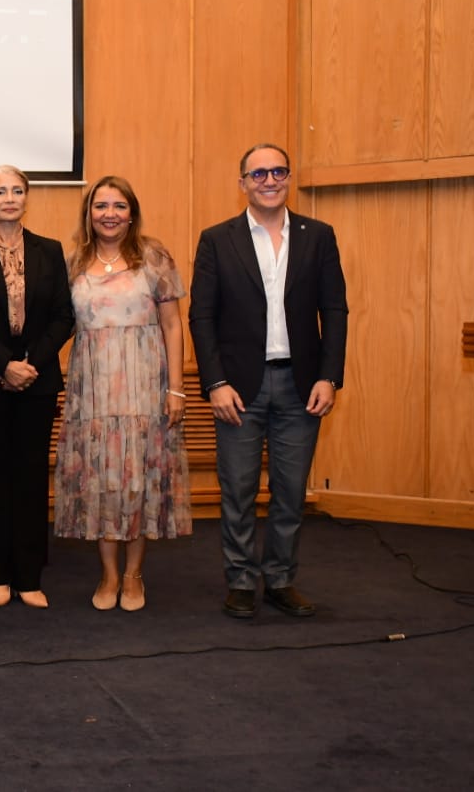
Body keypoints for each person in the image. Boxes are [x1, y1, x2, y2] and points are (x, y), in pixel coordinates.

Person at [188, 143, 348, 619]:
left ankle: (280, 579)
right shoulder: (217, 240)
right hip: (238, 388)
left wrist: (329, 376)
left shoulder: (319, 236)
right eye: (258, 174)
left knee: (290, 492)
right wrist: (215, 383)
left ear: (289, 178)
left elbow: (334, 311)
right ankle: (240, 580)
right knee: (237, 491)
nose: (270, 180)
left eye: (278, 171)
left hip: (302, 386)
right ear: (242, 183)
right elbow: (201, 316)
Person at [53, 176, 192, 612]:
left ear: (132, 213)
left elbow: (172, 324)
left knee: (137, 480)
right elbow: (58, 325)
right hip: (92, 390)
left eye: (118, 206)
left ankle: (133, 575)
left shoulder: (153, 256)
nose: (109, 214)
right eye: (101, 206)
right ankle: (108, 574)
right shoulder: (73, 261)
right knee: (102, 481)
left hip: (144, 387)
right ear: (88, 213)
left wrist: (176, 388)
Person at [0, 165, 73, 610]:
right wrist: (4, 365)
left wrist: (29, 365)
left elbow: (63, 315)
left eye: (17, 191)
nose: (9, 198)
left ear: (26, 198)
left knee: (30, 477)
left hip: (37, 381)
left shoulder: (50, 250)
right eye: (0, 192)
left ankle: (28, 576)